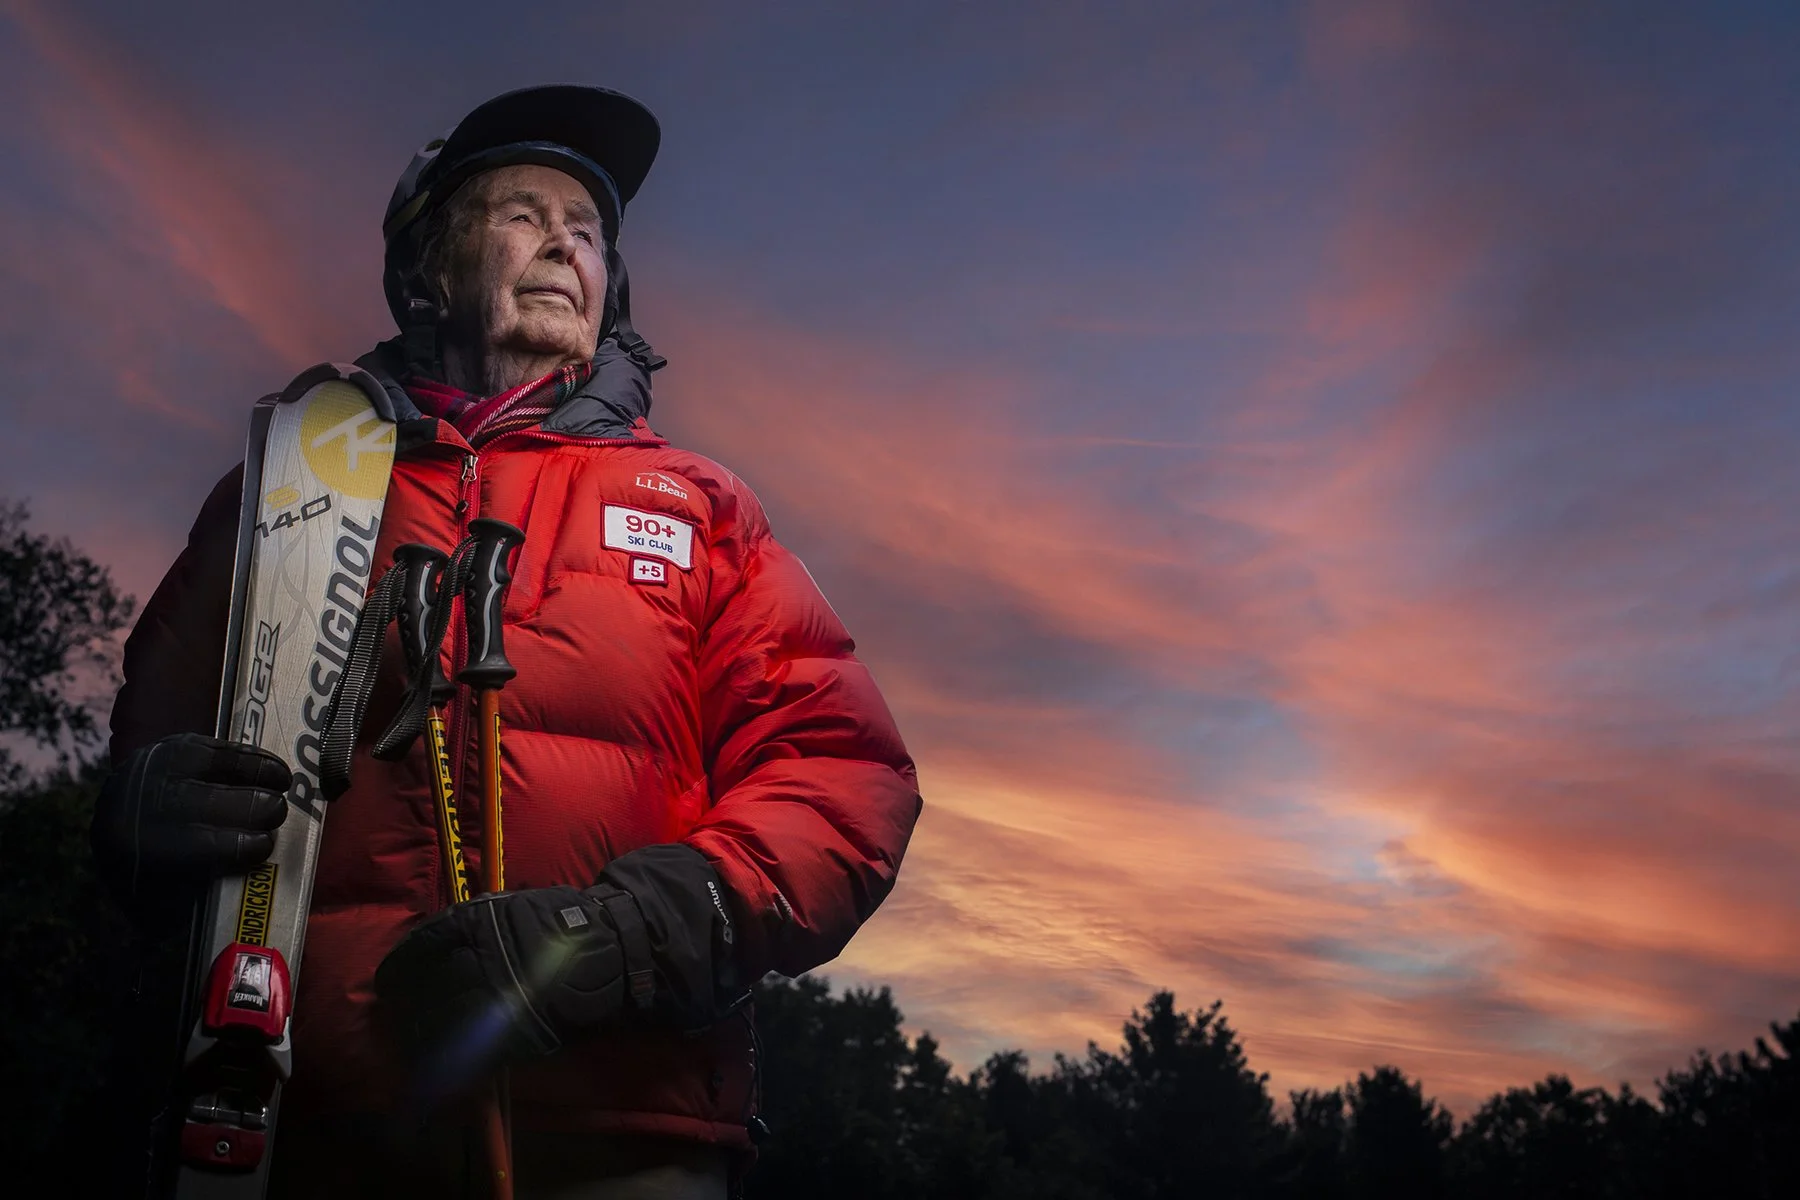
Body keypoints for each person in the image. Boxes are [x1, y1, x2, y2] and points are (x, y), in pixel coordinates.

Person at [90, 85, 922, 1200]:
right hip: (307, 1123)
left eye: (589, 232)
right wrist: (140, 814)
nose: (566, 244)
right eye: (524, 214)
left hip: (618, 1128)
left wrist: (627, 937)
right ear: (430, 267)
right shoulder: (287, 489)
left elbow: (843, 779)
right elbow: (150, 756)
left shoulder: (700, 507)